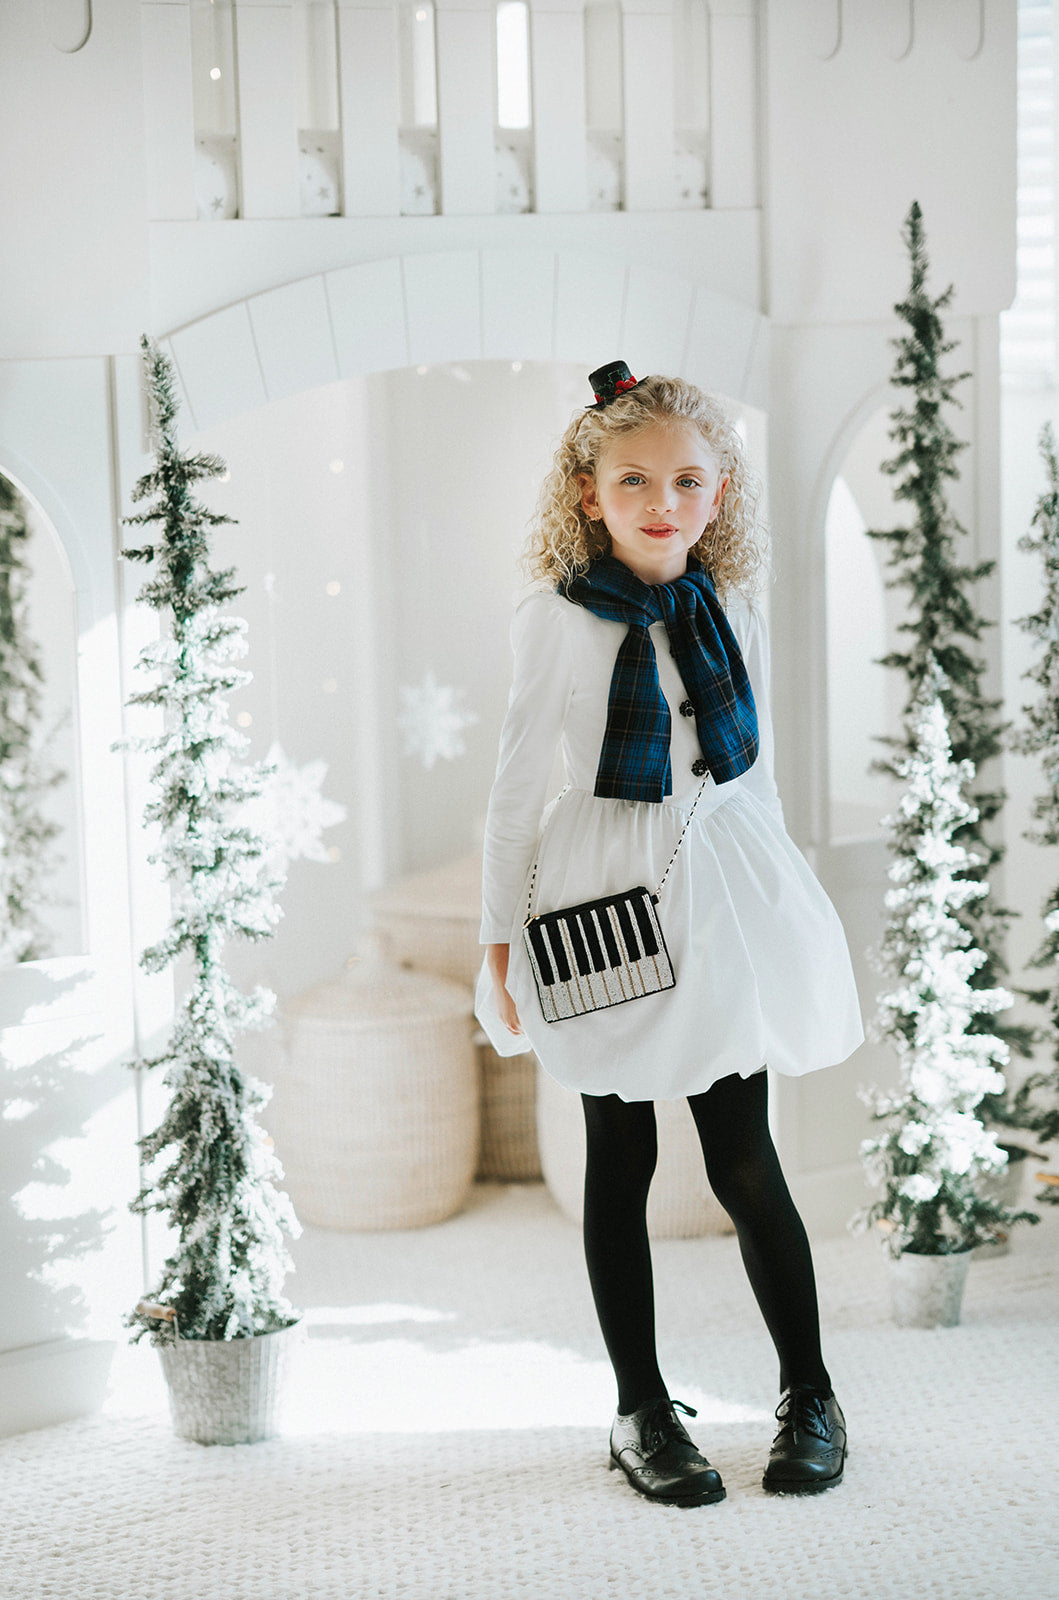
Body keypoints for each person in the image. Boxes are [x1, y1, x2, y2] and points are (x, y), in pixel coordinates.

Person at [474, 361, 864, 1507]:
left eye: (688, 481)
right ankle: (640, 1405)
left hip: (719, 882)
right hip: (601, 893)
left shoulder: (731, 605)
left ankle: (811, 1391)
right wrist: (496, 944)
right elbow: (512, 789)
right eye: (634, 478)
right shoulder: (554, 618)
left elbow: (755, 772)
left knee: (746, 1153)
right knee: (621, 1157)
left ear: (720, 493)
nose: (661, 501)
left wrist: (786, 897)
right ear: (588, 491)